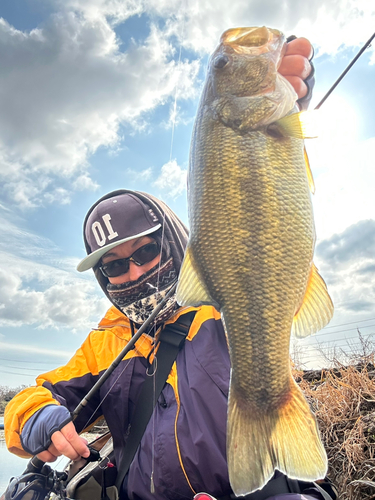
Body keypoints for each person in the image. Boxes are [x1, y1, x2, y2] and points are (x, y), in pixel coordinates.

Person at [5, 37, 333, 500]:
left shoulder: (218, 310)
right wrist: (34, 415)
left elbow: (265, 224)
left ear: (175, 244)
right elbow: (39, 394)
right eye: (115, 266)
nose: (134, 273)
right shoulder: (108, 342)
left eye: (144, 253)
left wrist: (283, 111)